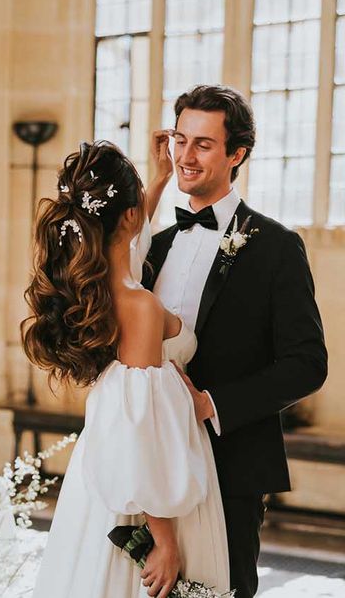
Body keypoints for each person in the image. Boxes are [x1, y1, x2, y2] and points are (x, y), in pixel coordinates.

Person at [23, 140, 230, 598]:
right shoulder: (139, 306)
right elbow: (143, 431)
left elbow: (127, 242)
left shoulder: (101, 285)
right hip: (146, 489)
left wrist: (153, 182)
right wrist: (165, 541)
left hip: (106, 472)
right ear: (131, 215)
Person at [143, 84, 327, 598]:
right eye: (179, 139)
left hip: (230, 465)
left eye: (203, 144)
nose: (186, 156)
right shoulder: (154, 246)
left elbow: (307, 363)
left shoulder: (276, 247)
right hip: (151, 462)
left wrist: (210, 405)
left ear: (237, 153)